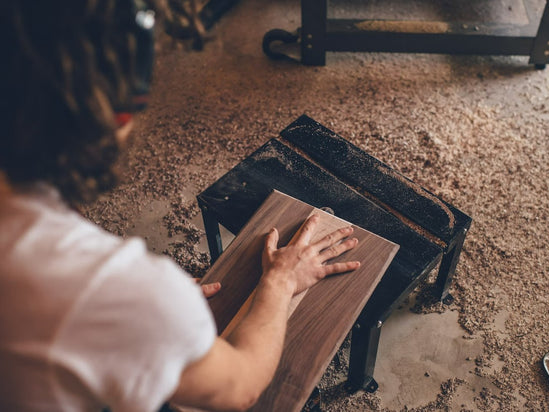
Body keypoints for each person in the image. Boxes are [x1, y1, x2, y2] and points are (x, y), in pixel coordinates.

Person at [0, 1, 360, 411]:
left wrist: (144, 319)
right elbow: (241, 388)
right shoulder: (108, 291)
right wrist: (281, 281)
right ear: (118, 110)